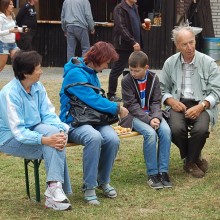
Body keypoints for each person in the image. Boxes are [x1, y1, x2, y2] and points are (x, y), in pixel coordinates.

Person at [0, 50, 72, 211]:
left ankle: (53, 189)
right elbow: (18, 132)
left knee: (57, 136)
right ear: (25, 73)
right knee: (52, 144)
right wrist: (45, 140)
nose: (41, 71)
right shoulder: (9, 94)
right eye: (38, 68)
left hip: (34, 128)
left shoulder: (37, 86)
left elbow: (47, 114)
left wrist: (62, 130)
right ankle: (54, 191)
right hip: (8, 138)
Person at [59, 41, 129, 205]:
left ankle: (102, 181)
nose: (107, 66)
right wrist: (116, 108)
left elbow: (94, 101)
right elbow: (93, 99)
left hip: (92, 119)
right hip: (74, 121)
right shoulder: (75, 73)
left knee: (112, 139)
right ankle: (89, 186)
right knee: (94, 138)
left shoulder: (91, 71)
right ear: (99, 58)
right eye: (106, 62)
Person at [159, 26, 220, 178]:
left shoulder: (209, 62)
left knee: (200, 130)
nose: (189, 47)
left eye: (191, 42)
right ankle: (194, 159)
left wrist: (202, 106)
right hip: (178, 103)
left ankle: (189, 161)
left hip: (202, 103)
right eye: (184, 44)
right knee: (175, 129)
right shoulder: (170, 63)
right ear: (177, 46)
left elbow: (217, 91)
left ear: (195, 41)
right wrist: (171, 101)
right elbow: (160, 89)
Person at [120, 51, 172, 189]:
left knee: (166, 131)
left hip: (152, 115)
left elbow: (156, 101)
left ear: (146, 67)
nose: (133, 73)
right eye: (131, 70)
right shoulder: (126, 81)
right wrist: (149, 120)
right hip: (133, 116)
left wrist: (156, 117)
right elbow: (132, 106)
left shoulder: (154, 78)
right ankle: (152, 174)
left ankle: (163, 172)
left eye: (137, 70)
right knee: (150, 134)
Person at [107, 0, 149, 102]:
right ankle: (111, 94)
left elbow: (134, 23)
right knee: (116, 70)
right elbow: (121, 27)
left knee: (137, 68)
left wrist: (141, 25)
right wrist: (133, 42)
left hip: (135, 44)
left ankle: (136, 92)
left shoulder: (134, 7)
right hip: (124, 45)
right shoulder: (119, 8)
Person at [0, 0, 21, 72]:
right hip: (3, 44)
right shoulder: (1, 18)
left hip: (13, 43)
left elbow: (15, 28)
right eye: (11, 4)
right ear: (5, 6)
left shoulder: (12, 15)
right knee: (1, 67)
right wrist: (10, 31)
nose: (13, 6)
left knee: (19, 62)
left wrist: (23, 30)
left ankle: (19, 81)